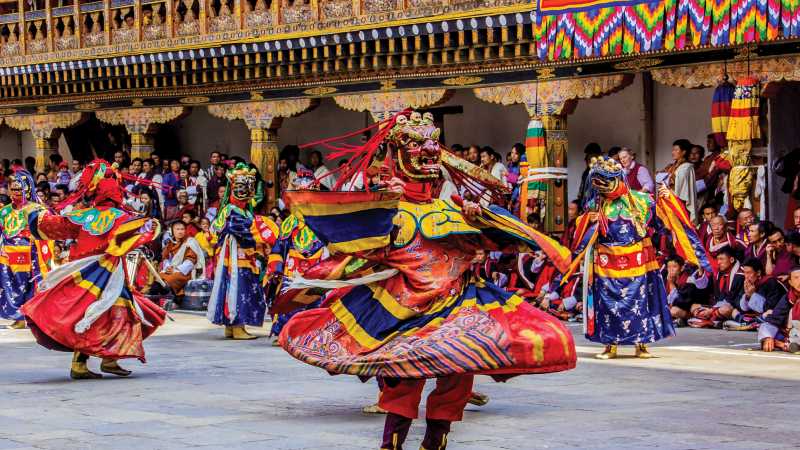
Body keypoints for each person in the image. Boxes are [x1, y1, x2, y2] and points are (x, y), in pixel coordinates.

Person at [277, 111, 576, 450]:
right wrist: (310, 283)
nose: (429, 151)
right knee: (404, 383)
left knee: (460, 374)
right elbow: (354, 258)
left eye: (432, 143)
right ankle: (391, 446)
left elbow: (495, 242)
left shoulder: (452, 209)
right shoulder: (388, 211)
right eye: (417, 145)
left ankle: (435, 444)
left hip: (457, 308)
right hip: (405, 312)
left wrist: (485, 218)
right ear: (399, 153)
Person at [20, 160, 166, 379]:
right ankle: (88, 362)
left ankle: (107, 359)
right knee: (112, 314)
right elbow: (142, 230)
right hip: (105, 273)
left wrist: (35, 211)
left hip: (86, 274)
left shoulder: (81, 216)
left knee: (92, 314)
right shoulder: (122, 217)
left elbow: (51, 226)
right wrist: (150, 224)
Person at [571, 156, 711, 358]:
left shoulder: (642, 200)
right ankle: (610, 346)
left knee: (641, 304)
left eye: (606, 182)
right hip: (606, 265)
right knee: (608, 307)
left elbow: (662, 224)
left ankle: (641, 345)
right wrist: (588, 221)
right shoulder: (596, 203)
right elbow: (582, 235)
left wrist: (667, 199)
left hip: (638, 263)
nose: (603, 188)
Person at [206, 163, 278, 339]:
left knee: (238, 287)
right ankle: (237, 326)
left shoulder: (241, 210)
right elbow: (243, 229)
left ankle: (231, 327)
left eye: (248, 188)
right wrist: (264, 229)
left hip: (243, 255)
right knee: (239, 288)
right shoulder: (232, 210)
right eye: (240, 187)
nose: (245, 192)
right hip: (237, 257)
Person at [0, 170, 50, 329]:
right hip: (7, 255)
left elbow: (46, 231)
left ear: (27, 189)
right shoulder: (4, 211)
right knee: (10, 286)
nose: (15, 192)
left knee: (30, 286)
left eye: (19, 189)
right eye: (12, 188)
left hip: (30, 254)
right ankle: (19, 317)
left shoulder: (36, 209)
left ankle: (31, 317)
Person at [690, 247, 744, 328]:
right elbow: (707, 293)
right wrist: (701, 273)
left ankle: (710, 321)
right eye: (718, 259)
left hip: (732, 308)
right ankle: (714, 321)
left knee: (725, 309)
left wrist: (712, 310)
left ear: (731, 260)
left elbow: (732, 301)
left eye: (722, 259)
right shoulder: (720, 274)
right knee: (694, 306)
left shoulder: (740, 275)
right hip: (718, 307)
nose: (718, 262)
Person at [758, 266, 800, 352]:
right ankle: (785, 344)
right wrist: (768, 337)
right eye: (796, 278)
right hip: (793, 334)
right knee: (769, 331)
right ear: (790, 282)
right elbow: (773, 320)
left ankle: (782, 344)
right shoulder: (787, 298)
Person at [157, 221, 204, 296]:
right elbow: (165, 258)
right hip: (171, 270)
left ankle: (173, 297)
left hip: (186, 272)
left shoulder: (190, 242)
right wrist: (168, 267)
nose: (180, 232)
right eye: (177, 229)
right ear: (173, 231)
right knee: (158, 277)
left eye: (182, 229)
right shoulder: (170, 243)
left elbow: (190, 262)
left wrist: (176, 270)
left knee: (171, 279)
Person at [663, 255, 709, 325]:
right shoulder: (666, 279)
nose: (671, 269)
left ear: (681, 268)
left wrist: (671, 284)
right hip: (672, 307)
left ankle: (686, 319)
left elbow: (680, 302)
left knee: (673, 311)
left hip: (687, 309)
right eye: (669, 267)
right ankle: (676, 320)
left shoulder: (688, 280)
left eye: (674, 267)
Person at [666, 139, 698, 222]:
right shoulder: (672, 166)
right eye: (672, 150)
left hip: (680, 202)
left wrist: (667, 177)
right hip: (670, 201)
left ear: (683, 152)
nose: (673, 152)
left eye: (676, 150)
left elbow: (680, 187)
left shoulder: (686, 167)